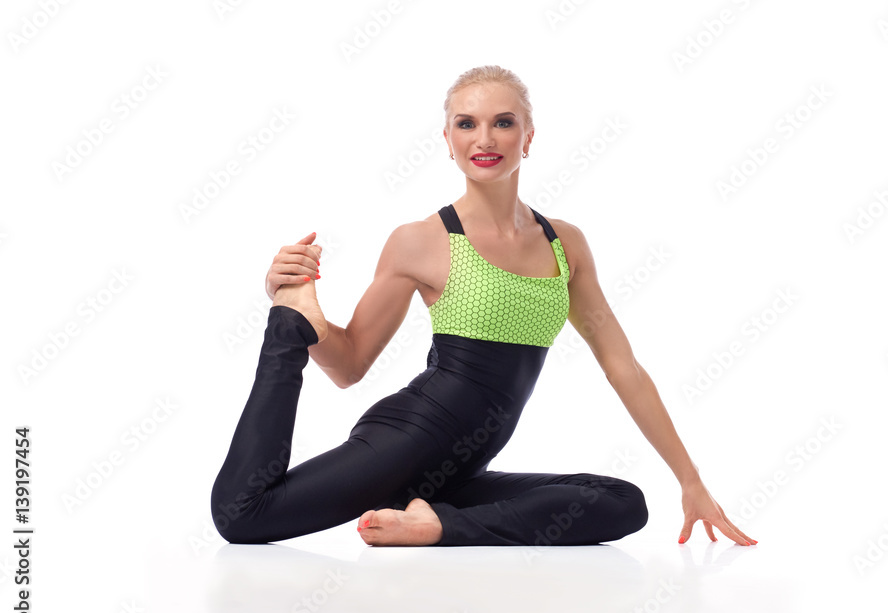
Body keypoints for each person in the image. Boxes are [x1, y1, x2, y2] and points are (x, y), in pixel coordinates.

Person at [210, 65, 757, 548]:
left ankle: (435, 526)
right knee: (243, 517)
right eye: (466, 124)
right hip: (405, 440)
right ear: (447, 140)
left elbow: (624, 369)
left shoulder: (565, 243)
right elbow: (350, 365)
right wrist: (307, 325)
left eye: (503, 121)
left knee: (623, 502)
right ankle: (289, 324)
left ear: (529, 135)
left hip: (460, 471)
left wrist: (690, 479)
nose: (485, 137)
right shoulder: (421, 240)